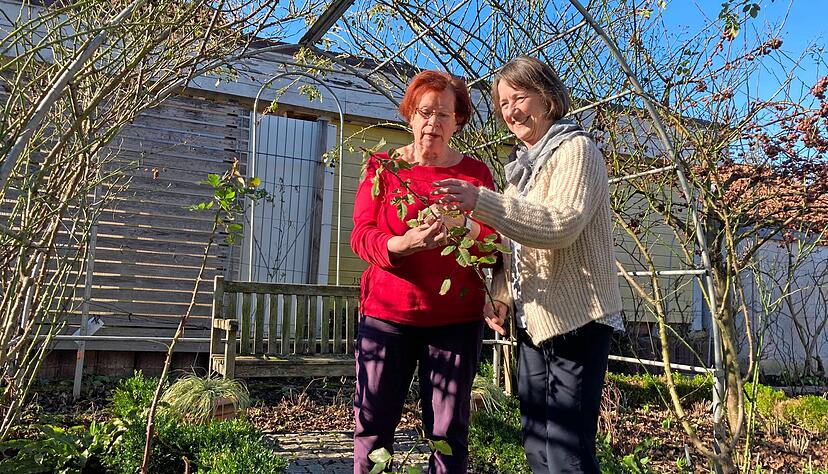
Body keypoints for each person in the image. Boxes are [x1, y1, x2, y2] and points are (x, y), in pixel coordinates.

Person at [432, 56, 623, 474]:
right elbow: (513, 242)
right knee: (537, 445)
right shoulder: (523, 169)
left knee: (566, 453)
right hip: (534, 323)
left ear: (549, 98)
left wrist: (481, 201)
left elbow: (561, 224)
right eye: (503, 103)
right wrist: (500, 294)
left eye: (520, 97)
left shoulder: (577, 150)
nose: (511, 111)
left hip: (578, 319)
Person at [351, 70, 498, 474]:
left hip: (454, 322)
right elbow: (361, 236)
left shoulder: (475, 174)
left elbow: (492, 243)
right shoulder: (384, 169)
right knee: (373, 425)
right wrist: (401, 245)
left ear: (458, 121)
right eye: (425, 112)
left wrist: (465, 227)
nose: (433, 123)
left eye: (444, 115)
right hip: (386, 318)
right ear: (410, 116)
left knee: (448, 432)